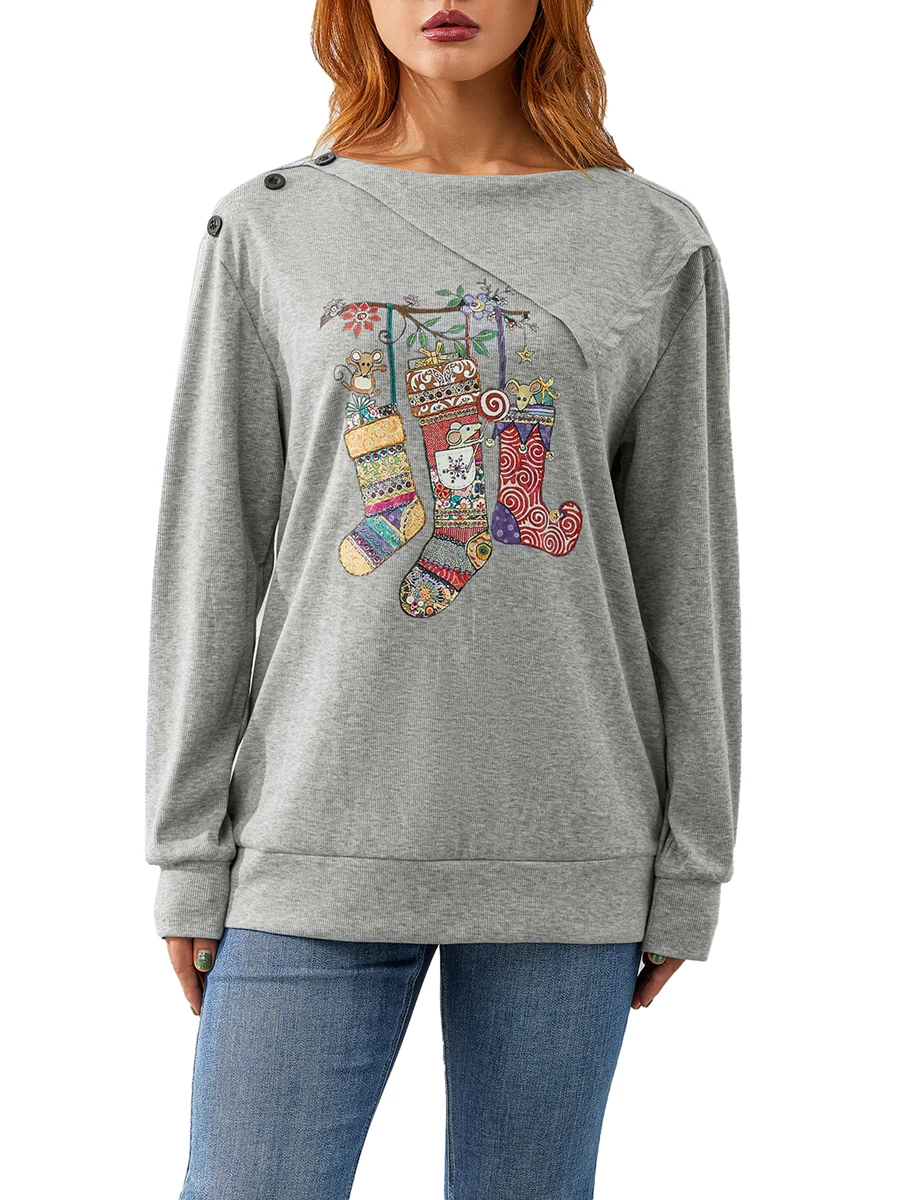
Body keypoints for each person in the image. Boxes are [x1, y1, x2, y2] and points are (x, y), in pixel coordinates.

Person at [144, 1, 742, 1196]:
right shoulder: (271, 225)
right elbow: (213, 549)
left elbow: (689, 568)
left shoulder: (649, 239)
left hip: (570, 843)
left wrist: (695, 862)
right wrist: (186, 847)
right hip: (311, 833)